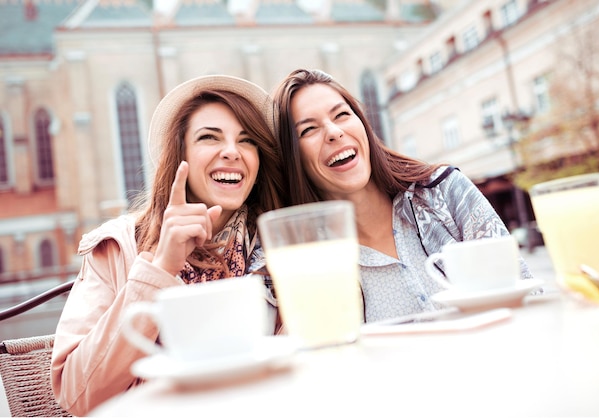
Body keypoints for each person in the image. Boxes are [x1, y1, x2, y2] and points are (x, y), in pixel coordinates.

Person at [51, 74, 284, 416]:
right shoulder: (117, 247)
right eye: (209, 137)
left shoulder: (277, 247)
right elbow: (76, 394)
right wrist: (159, 269)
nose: (232, 152)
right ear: (181, 155)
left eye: (246, 140)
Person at [272, 68, 534, 323]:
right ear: (293, 158)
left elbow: (524, 295)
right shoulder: (307, 262)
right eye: (308, 130)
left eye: (341, 114)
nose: (334, 132)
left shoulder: (444, 191)